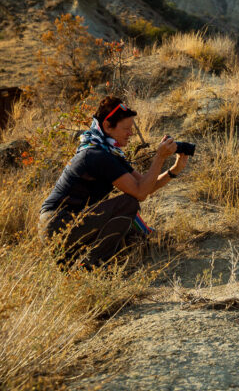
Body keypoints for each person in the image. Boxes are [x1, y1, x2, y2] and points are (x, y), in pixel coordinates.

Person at [38, 96, 188, 267]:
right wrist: (159, 158)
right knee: (128, 203)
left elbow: (146, 186)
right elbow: (139, 194)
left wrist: (174, 170)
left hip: (70, 224)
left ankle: (82, 261)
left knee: (133, 230)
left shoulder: (109, 152)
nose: (131, 133)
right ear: (108, 126)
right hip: (57, 225)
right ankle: (90, 265)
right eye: (126, 128)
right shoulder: (96, 155)